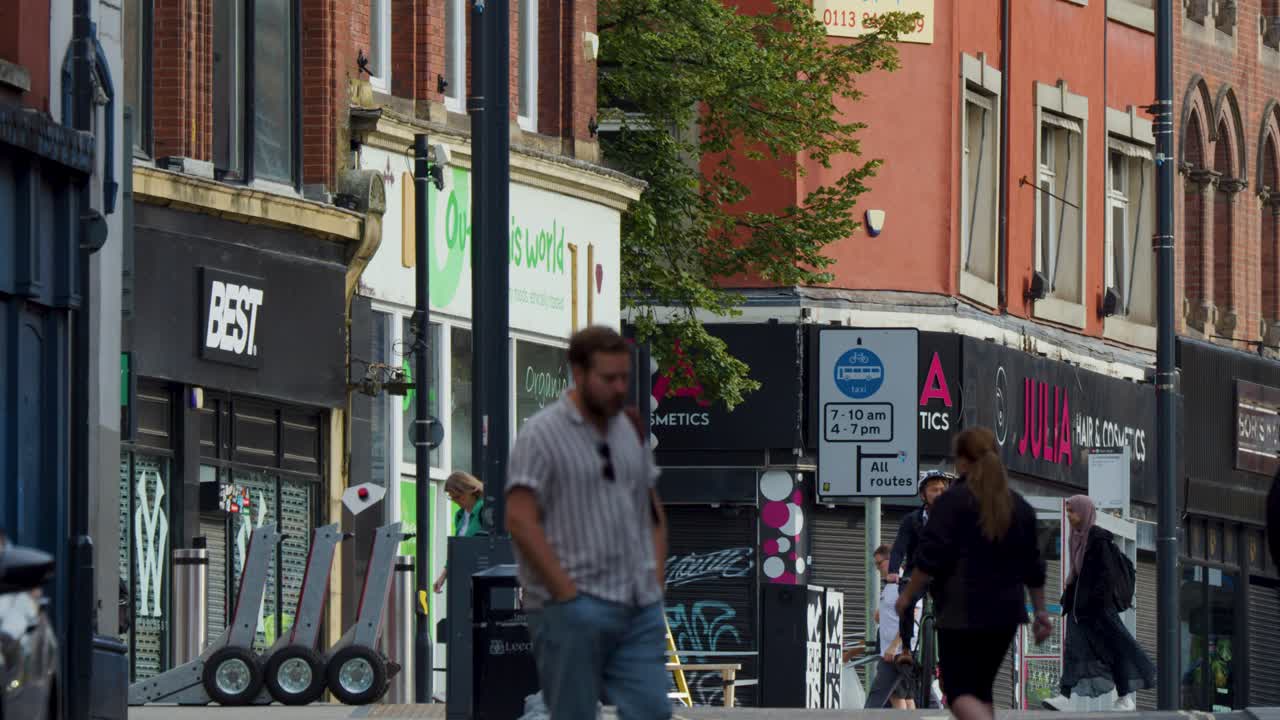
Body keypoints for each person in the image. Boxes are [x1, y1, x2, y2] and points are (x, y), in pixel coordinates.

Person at [505, 326, 670, 720]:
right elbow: (520, 517)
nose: (618, 388)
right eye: (608, 378)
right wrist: (565, 594)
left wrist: (654, 583)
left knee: (651, 709)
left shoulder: (629, 429)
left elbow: (651, 511)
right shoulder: (541, 435)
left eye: (624, 378)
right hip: (571, 607)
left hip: (634, 603)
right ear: (579, 374)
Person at [898, 427, 1052, 720]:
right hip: (1005, 615)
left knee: (958, 693)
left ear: (963, 461)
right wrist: (1041, 612)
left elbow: (929, 558)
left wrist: (906, 596)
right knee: (981, 690)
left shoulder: (951, 503)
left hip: (960, 612)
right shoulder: (1019, 506)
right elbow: (1034, 566)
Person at [1043, 495, 1155, 712]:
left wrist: (1096, 602)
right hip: (1080, 610)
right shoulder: (1075, 538)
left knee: (1115, 650)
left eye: (1072, 511)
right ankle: (1065, 697)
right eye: (1067, 511)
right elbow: (1078, 574)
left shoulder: (1098, 539)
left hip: (1099, 610)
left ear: (1084, 512)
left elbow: (1107, 575)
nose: (1069, 516)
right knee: (1073, 650)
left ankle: (1125, 698)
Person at [888, 469, 953, 662]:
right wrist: (892, 571)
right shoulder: (911, 520)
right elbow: (900, 547)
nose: (939, 494)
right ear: (923, 494)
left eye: (943, 489)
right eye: (934, 490)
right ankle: (906, 649)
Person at [866, 545, 917, 710]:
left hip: (898, 652)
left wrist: (894, 646)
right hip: (891, 651)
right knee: (903, 696)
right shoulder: (890, 584)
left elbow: (910, 618)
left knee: (881, 696)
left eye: (879, 563)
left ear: (890, 561)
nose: (877, 568)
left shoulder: (906, 583)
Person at [432, 471, 488, 594]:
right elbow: (456, 549)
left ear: (470, 491)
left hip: (482, 575)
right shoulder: (460, 516)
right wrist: (443, 576)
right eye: (452, 498)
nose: (456, 501)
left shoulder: (485, 510)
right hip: (463, 575)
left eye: (458, 496)